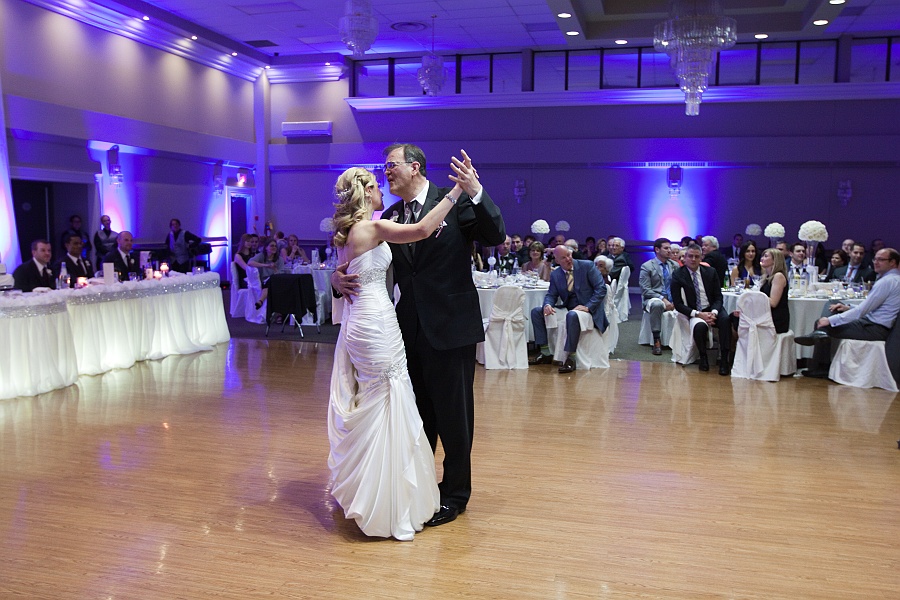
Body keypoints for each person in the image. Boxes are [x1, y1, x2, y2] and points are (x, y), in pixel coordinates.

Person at [332, 145, 505, 529]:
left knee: (455, 418)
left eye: (390, 165)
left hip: (451, 326)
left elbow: (496, 233)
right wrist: (334, 279)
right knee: (416, 415)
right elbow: (355, 259)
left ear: (414, 167)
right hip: (403, 330)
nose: (386, 172)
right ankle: (419, 489)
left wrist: (475, 190)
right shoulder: (389, 215)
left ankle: (455, 495)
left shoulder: (453, 202)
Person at [327, 166, 465, 541]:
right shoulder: (372, 228)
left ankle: (372, 487)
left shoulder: (347, 233)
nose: (382, 191)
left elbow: (340, 273)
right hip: (375, 324)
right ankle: (387, 500)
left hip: (363, 322)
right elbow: (422, 230)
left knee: (378, 398)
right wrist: (455, 192)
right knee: (390, 398)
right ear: (365, 192)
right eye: (376, 186)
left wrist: (335, 278)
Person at [796, 248, 900, 378]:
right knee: (833, 304)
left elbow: (862, 311)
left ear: (893, 262)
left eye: (881, 259)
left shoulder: (887, 281)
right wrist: (848, 307)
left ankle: (821, 366)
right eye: (875, 259)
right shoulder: (894, 279)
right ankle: (819, 338)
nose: (876, 262)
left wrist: (830, 320)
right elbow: (873, 307)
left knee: (823, 324)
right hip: (875, 324)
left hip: (873, 328)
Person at [529, 245, 607, 373]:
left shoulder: (587, 266)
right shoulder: (556, 274)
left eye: (569, 255)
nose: (568, 259)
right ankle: (545, 353)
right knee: (537, 312)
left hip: (589, 310)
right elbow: (551, 295)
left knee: (572, 315)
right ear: (557, 260)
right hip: (568, 308)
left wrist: (588, 306)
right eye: (563, 258)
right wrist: (547, 305)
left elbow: (601, 289)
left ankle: (571, 357)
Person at [671, 244, 732, 375]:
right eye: (690, 256)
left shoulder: (710, 272)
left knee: (725, 320)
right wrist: (698, 314)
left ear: (701, 258)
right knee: (700, 327)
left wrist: (713, 313)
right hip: (694, 310)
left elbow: (718, 297)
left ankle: (724, 360)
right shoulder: (678, 275)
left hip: (712, 308)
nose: (693, 259)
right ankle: (703, 357)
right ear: (685, 257)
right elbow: (678, 304)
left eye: (696, 256)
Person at [731, 248, 790, 338]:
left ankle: (746, 345)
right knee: (734, 316)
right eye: (762, 256)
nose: (762, 258)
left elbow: (773, 302)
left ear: (775, 260)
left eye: (766, 256)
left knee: (736, 320)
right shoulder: (767, 276)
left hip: (775, 319)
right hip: (766, 315)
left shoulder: (778, 276)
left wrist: (754, 295)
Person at [639, 238, 679, 356]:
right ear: (657, 249)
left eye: (669, 248)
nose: (669, 251)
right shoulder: (647, 266)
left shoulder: (674, 265)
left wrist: (676, 300)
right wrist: (663, 299)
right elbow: (645, 290)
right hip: (653, 298)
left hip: (672, 298)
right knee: (657, 304)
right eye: (666, 248)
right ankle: (657, 340)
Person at [249, 239, 283, 309]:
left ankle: (260, 301)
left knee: (271, 281)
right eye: (272, 246)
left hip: (276, 280)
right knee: (268, 282)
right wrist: (266, 265)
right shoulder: (261, 256)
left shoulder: (279, 259)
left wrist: (274, 268)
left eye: (275, 246)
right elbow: (250, 263)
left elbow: (281, 274)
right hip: (264, 280)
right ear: (266, 248)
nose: (274, 247)